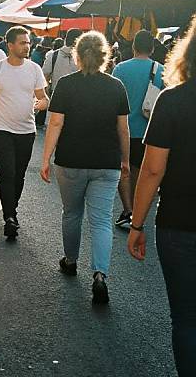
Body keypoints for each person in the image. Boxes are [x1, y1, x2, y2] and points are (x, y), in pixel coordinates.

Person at [40, 31, 130, 305]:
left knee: (72, 213)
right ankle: (100, 274)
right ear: (106, 56)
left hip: (71, 160)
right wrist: (125, 160)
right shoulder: (116, 86)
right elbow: (123, 130)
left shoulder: (66, 85)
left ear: (76, 56)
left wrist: (45, 158)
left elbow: (55, 124)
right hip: (106, 163)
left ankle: (70, 260)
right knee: (102, 220)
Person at [127, 19, 196, 376]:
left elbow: (152, 170)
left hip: (180, 223)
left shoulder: (172, 100)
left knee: (186, 317)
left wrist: (137, 223)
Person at [0, 26, 49, 238]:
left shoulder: (34, 69)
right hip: (1, 130)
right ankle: (10, 216)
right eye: (23, 43)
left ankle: (11, 210)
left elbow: (44, 98)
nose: (27, 46)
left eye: (28, 42)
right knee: (7, 173)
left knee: (19, 175)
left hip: (27, 131)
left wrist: (39, 104)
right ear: (10, 45)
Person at [112, 30, 164, 228]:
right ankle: (139, 212)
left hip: (125, 129)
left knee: (124, 169)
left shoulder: (120, 69)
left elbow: (114, 99)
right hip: (151, 131)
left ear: (134, 46)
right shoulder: (162, 70)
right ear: (152, 48)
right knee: (147, 172)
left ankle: (128, 210)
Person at [42, 28, 81, 94]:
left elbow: (44, 77)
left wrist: (47, 93)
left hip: (57, 94)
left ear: (66, 39)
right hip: (77, 95)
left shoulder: (52, 55)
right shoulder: (84, 57)